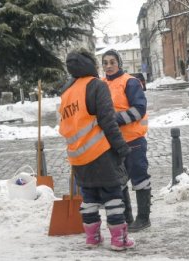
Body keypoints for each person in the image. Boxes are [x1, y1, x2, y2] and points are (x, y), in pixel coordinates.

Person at [58, 48, 135, 250]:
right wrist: (122, 148)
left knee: (89, 196)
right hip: (100, 152)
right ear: (91, 64)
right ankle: (119, 239)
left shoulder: (66, 92)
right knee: (112, 195)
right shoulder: (96, 86)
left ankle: (92, 238)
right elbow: (108, 122)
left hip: (78, 156)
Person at [101, 49, 151, 233]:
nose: (108, 66)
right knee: (118, 181)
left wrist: (115, 119)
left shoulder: (130, 82)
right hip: (113, 143)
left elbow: (139, 109)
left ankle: (144, 218)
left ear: (119, 63)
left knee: (139, 178)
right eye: (105, 62)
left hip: (133, 140)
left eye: (112, 62)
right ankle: (127, 218)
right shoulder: (100, 84)